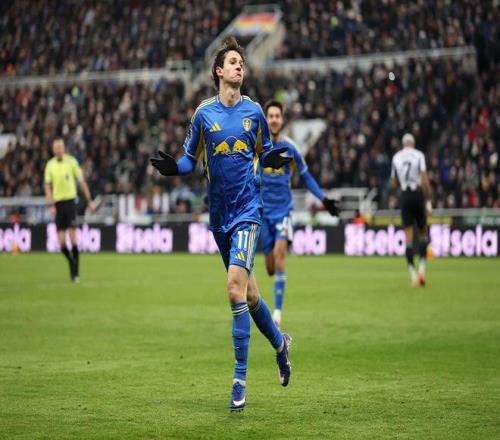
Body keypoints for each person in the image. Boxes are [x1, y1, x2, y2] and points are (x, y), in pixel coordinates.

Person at [150, 37, 293, 411]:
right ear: (218, 71)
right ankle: (281, 345)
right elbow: (188, 159)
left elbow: (264, 153)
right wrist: (173, 168)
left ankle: (239, 381)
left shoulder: (254, 112)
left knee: (233, 290)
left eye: (241, 63)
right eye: (232, 62)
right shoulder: (204, 114)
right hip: (219, 218)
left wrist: (273, 160)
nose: (239, 66)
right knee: (250, 295)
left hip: (248, 211)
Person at [261, 100, 340, 328]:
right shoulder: (257, 147)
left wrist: (323, 199)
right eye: (270, 116)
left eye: (277, 116)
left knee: (280, 256)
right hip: (262, 214)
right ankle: (276, 293)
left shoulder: (291, 148)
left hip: (283, 212)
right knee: (269, 268)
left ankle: (277, 313)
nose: (274, 119)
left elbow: (306, 176)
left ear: (282, 119)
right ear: (266, 119)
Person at [44, 137, 95, 282]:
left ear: (64, 148)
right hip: (58, 204)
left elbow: (81, 181)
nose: (58, 149)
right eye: (56, 147)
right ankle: (71, 262)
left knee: (73, 238)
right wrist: (50, 204)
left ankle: (75, 272)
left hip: (70, 202)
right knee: (61, 243)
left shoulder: (71, 162)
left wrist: (89, 200)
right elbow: (48, 186)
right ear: (53, 150)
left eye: (60, 147)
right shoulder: (50, 165)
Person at [391, 133, 432, 288]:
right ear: (413, 143)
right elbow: (424, 179)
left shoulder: (396, 157)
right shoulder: (419, 155)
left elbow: (394, 182)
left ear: (403, 144)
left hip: (405, 196)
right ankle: (422, 270)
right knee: (423, 233)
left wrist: (400, 183)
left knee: (408, 238)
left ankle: (413, 275)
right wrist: (428, 201)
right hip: (418, 195)